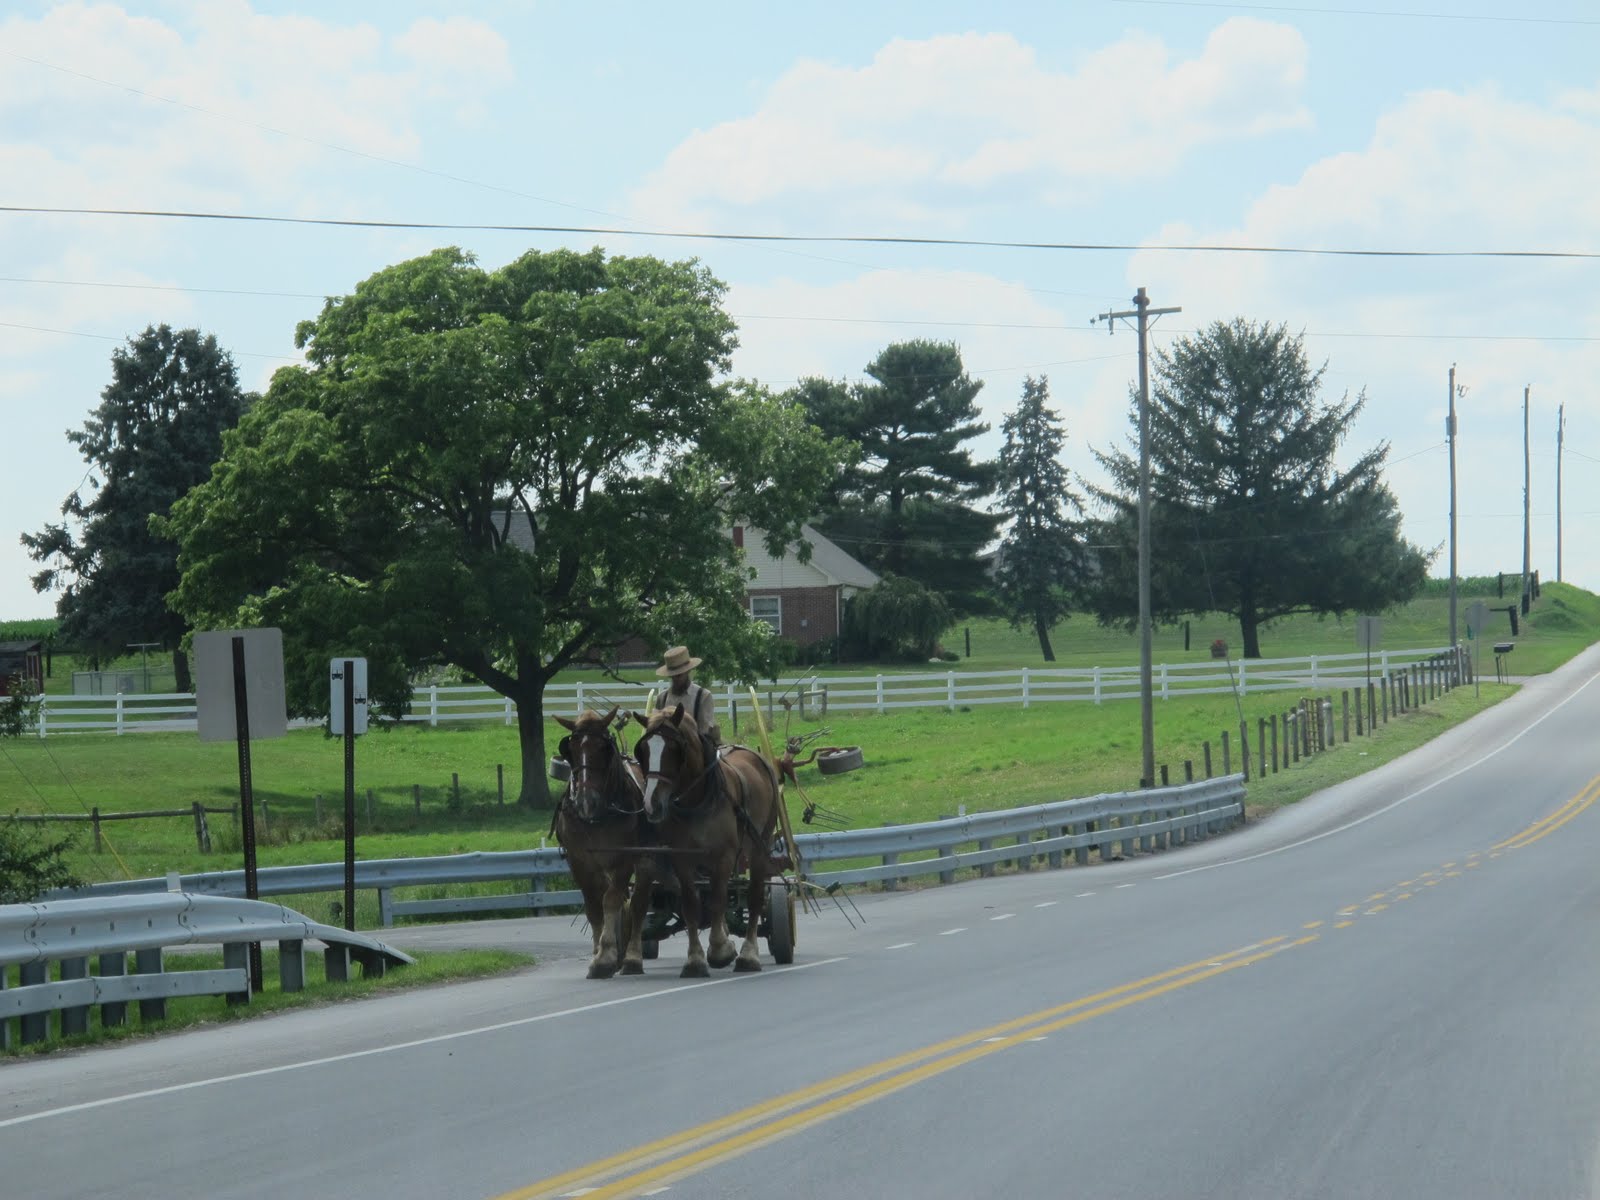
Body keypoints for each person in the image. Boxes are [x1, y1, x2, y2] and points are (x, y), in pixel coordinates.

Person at [651, 645, 721, 746]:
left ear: (687, 671)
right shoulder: (662, 698)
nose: (676, 679)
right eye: (673, 676)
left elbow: (704, 731)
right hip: (667, 750)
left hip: (696, 749)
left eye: (679, 675)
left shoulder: (703, 696)